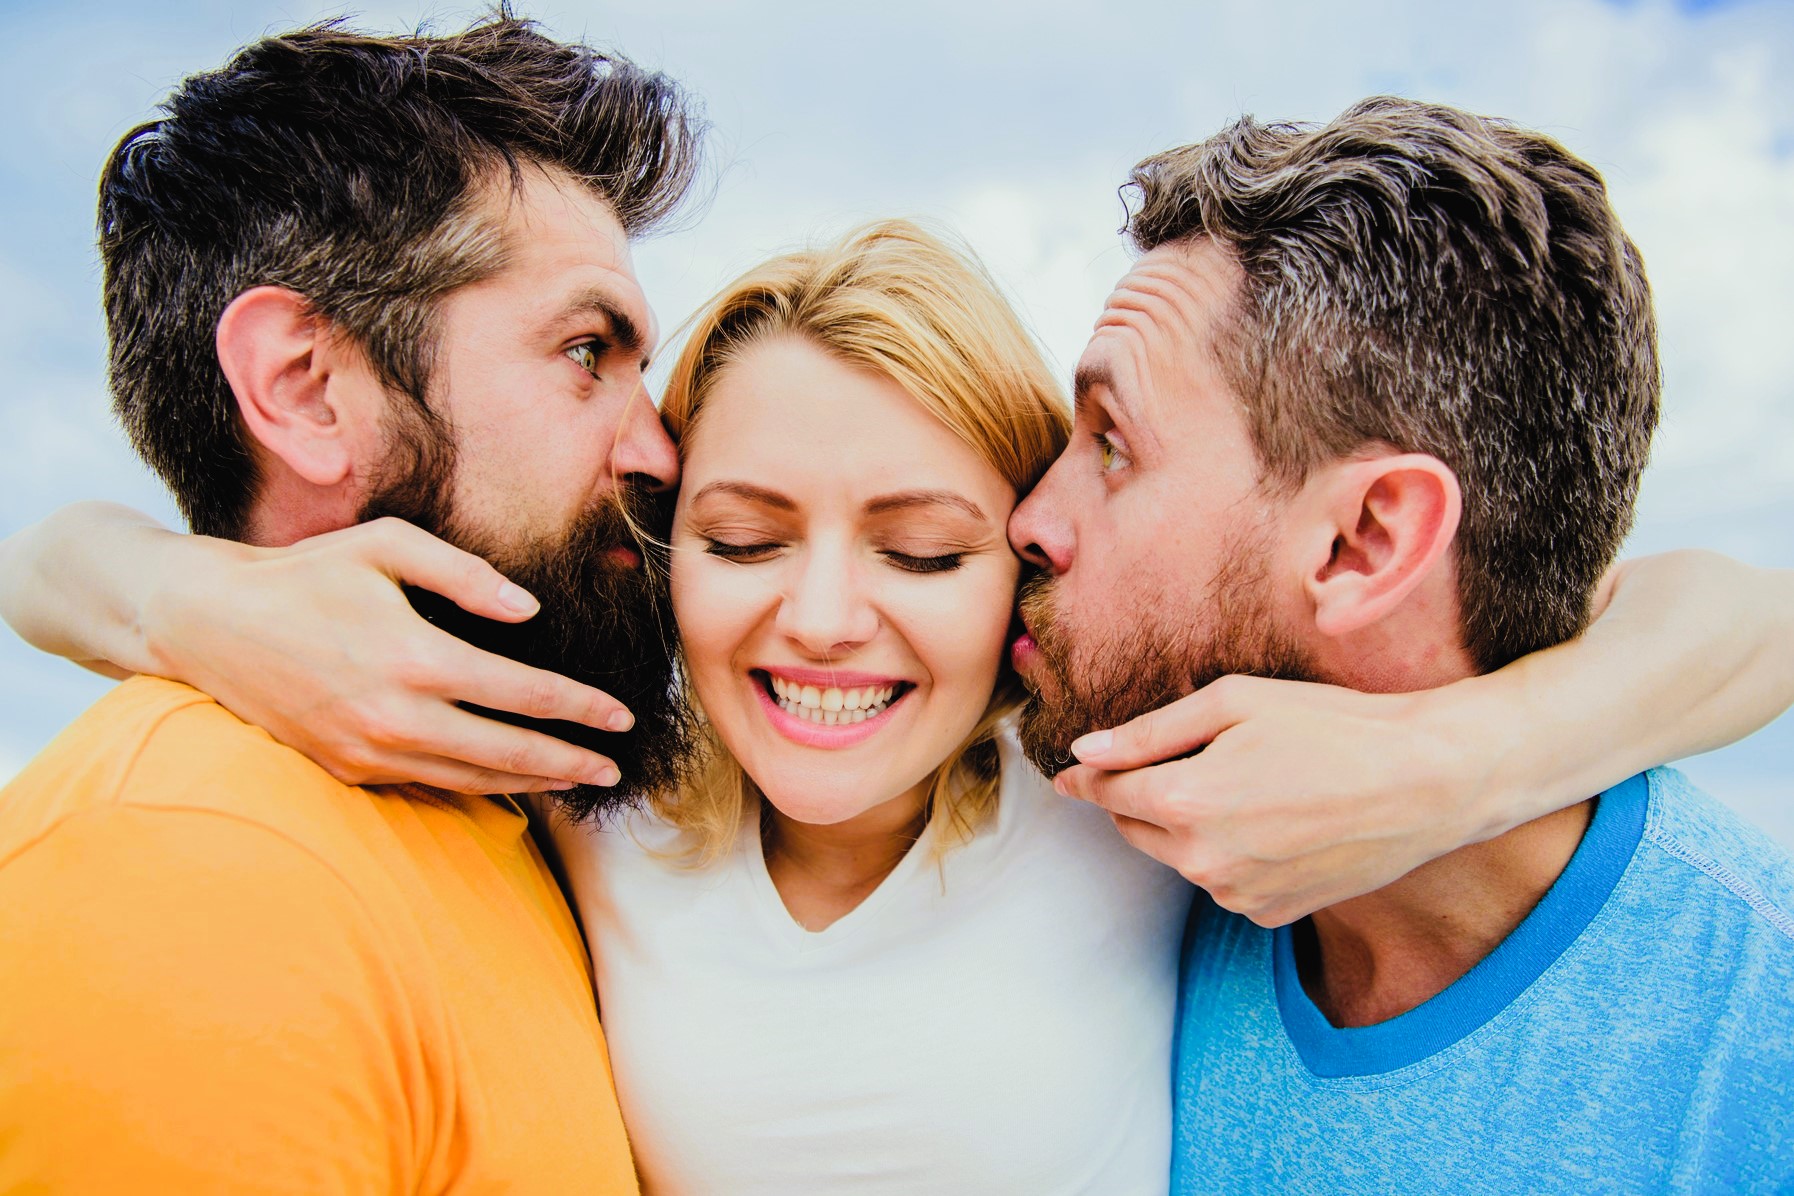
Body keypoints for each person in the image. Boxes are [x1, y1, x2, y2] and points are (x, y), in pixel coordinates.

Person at [5, 86, 1793, 1191]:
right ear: (667, 546)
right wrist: (184, 590)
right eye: (736, 533)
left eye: (932, 545)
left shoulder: (1111, 787)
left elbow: (1735, 613)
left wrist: (1441, 760)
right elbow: (44, 558)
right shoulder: (599, 768)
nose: (826, 615)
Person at [1012, 98, 1794, 1191]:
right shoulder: (1130, 880)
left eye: (1112, 445)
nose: (1028, 520)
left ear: (1364, 540)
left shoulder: (1757, 1038)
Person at [0, 17, 705, 1191]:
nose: (661, 450)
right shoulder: (191, 872)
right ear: (305, 387)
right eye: (588, 351)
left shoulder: (525, 807)